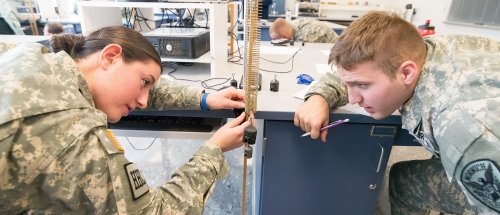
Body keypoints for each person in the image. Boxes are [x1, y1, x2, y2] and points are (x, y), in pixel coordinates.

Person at [0, 26, 251, 214]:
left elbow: (136, 84)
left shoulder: (33, 54)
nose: (143, 101)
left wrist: (205, 99)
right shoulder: (74, 135)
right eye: (145, 83)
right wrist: (215, 149)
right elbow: (156, 211)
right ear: (110, 57)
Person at [294, 11, 500, 214]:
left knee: (406, 183)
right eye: (351, 86)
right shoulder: (419, 51)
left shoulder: (465, 132)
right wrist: (318, 97)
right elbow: (358, 73)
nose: (353, 99)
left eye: (361, 86)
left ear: (407, 73)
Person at [269, 17, 338, 43]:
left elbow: (300, 52)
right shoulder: (290, 26)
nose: (274, 42)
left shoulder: (306, 34)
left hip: (337, 51)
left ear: (284, 37)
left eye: (276, 39)